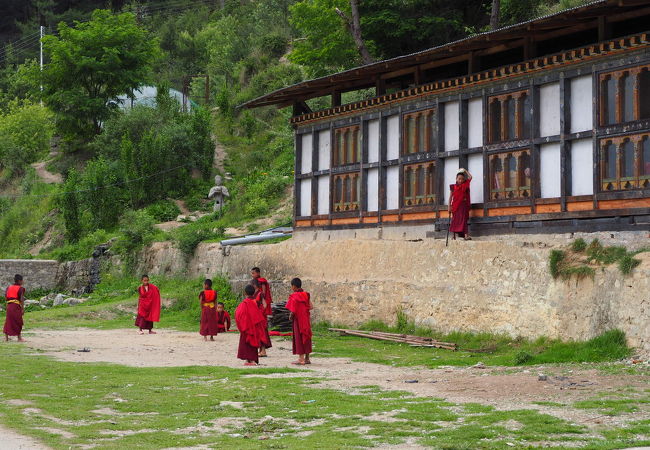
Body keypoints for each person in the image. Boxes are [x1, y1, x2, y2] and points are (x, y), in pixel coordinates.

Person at [235, 285, 269, 366]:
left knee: (246, 343)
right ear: (254, 293)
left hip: (246, 327)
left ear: (245, 293)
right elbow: (259, 314)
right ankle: (251, 360)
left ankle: (250, 360)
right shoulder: (255, 302)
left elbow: (238, 315)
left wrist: (240, 325)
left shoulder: (244, 303)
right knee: (252, 343)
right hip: (254, 327)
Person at [285, 278, 313, 365]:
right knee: (306, 336)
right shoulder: (306, 294)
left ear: (293, 286)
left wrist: (290, 316)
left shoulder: (294, 296)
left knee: (299, 338)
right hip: (306, 319)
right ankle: (307, 358)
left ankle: (301, 359)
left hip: (298, 320)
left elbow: (293, 310)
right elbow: (311, 306)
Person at [449, 168, 473, 241]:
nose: (461, 180)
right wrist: (449, 206)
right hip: (455, 206)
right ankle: (453, 236)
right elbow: (450, 197)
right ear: (456, 179)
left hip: (463, 206)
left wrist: (465, 170)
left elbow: (470, 177)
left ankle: (466, 235)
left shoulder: (465, 185)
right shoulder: (453, 187)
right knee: (455, 220)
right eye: (459, 179)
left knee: (464, 220)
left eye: (462, 179)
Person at [250, 278, 272, 357]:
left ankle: (263, 351)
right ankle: (260, 350)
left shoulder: (260, 294)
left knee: (262, 333)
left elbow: (265, 305)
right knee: (258, 333)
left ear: (255, 285)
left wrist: (260, 312)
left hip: (261, 317)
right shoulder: (254, 294)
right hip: (256, 316)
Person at [4, 274, 25, 342]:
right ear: (19, 281)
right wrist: (22, 308)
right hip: (16, 306)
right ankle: (19, 338)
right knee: (18, 321)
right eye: (22, 280)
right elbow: (21, 299)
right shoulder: (20, 288)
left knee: (8, 321)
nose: (22, 282)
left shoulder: (9, 287)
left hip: (9, 306)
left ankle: (6, 338)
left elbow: (6, 296)